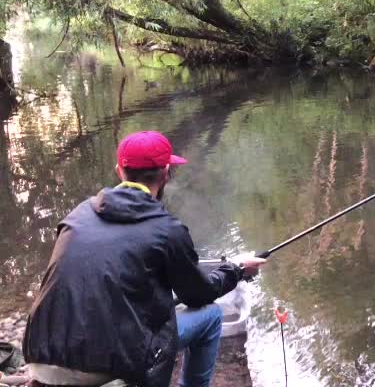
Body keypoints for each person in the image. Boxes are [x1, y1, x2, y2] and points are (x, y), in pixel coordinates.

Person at [23, 131, 266, 387]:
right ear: (166, 174)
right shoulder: (167, 230)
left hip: (40, 354)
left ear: (119, 171)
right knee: (210, 316)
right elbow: (200, 294)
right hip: (103, 365)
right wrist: (237, 269)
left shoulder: (77, 215)